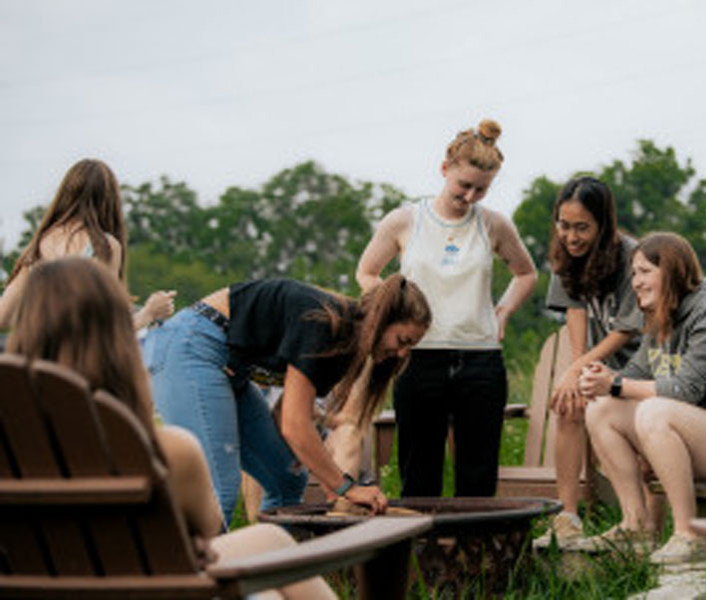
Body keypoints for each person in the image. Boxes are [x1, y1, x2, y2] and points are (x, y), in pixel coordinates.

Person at [5, 256, 336, 599]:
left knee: (270, 540)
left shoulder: (11, 456)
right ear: (120, 346)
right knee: (266, 589)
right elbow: (208, 530)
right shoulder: (166, 452)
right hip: (141, 588)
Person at [143, 272, 431, 523]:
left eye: (411, 347)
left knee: (286, 479)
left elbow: (288, 412)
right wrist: (345, 486)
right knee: (220, 491)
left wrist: (330, 482)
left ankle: (266, 570)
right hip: (192, 346)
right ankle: (191, 579)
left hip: (231, 369)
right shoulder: (325, 323)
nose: (403, 354)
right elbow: (295, 426)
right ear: (380, 320)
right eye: (403, 341)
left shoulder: (344, 348)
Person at [356, 119, 537, 497]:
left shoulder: (494, 224)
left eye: (481, 189)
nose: (470, 196)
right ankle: (426, 550)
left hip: (480, 357)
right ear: (444, 170)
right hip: (419, 357)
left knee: (478, 469)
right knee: (419, 470)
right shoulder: (405, 221)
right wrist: (397, 308)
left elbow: (526, 274)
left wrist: (502, 312)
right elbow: (367, 273)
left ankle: (474, 552)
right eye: (464, 185)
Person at [577, 232, 706, 564]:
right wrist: (600, 379)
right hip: (700, 439)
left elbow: (687, 389)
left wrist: (615, 385)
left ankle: (688, 535)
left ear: (670, 270)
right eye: (633, 273)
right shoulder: (659, 320)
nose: (635, 282)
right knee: (601, 409)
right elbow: (633, 376)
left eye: (644, 272)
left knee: (654, 411)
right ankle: (636, 527)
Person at [533, 177, 643, 549]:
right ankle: (568, 516)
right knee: (569, 404)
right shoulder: (566, 257)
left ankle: (639, 523)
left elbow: (628, 329)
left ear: (603, 224)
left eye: (582, 227)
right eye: (564, 225)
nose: (571, 236)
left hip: (641, 363)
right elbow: (575, 308)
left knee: (598, 401)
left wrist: (579, 368)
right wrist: (575, 369)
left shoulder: (631, 255)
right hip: (602, 361)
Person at [0, 158, 175, 331]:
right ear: (110, 199)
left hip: (33, 354)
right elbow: (108, 331)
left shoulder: (38, 244)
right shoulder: (104, 247)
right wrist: (150, 312)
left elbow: (2, 317)